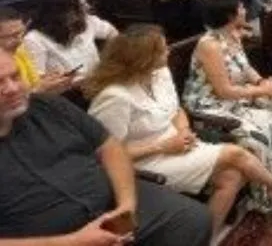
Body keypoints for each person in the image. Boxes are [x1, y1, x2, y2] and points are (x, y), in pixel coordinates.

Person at [85, 25, 272, 234]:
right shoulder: (114, 97)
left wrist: (183, 130)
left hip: (175, 144)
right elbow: (106, 153)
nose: (169, 52)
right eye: (163, 50)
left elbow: (176, 110)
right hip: (142, 162)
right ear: (144, 59)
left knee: (232, 176)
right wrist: (162, 145)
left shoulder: (159, 75)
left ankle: (202, 236)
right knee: (236, 153)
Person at [0, 49, 213, 245]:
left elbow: (110, 147)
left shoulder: (48, 105)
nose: (12, 88)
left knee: (192, 219)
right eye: (0, 82)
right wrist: (73, 241)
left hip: (111, 207)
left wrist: (125, 208)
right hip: (48, 239)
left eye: (16, 76)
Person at [182, 0, 272, 212]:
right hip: (208, 105)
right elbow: (223, 91)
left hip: (233, 99)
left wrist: (262, 82)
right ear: (230, 15)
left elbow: (245, 69)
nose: (245, 9)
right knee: (259, 135)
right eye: (241, 7)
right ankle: (266, 194)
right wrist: (260, 91)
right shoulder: (209, 45)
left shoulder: (233, 34)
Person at [24, 0, 118, 82]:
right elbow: (39, 84)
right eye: (81, 6)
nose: (88, 7)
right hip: (68, 93)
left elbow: (112, 32)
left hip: (96, 83)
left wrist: (108, 59)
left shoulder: (88, 21)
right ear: (63, 12)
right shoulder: (34, 39)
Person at [0, 5, 72, 93]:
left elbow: (34, 83)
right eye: (12, 36)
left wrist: (50, 81)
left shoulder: (19, 50)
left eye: (21, 33)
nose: (20, 40)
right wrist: (37, 90)